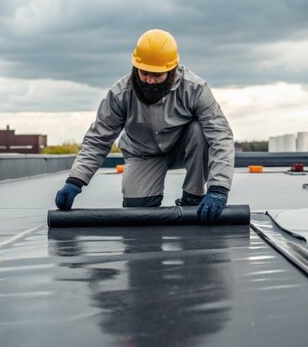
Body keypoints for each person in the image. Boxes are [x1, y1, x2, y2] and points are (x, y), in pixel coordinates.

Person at [55, 29, 235, 221]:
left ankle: (193, 196)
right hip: (142, 154)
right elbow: (99, 138)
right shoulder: (120, 94)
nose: (149, 80)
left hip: (182, 148)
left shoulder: (195, 89)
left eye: (157, 75)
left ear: (171, 70)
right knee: (138, 211)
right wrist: (76, 180)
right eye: (144, 73)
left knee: (199, 131)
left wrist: (218, 188)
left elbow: (220, 135)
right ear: (136, 66)